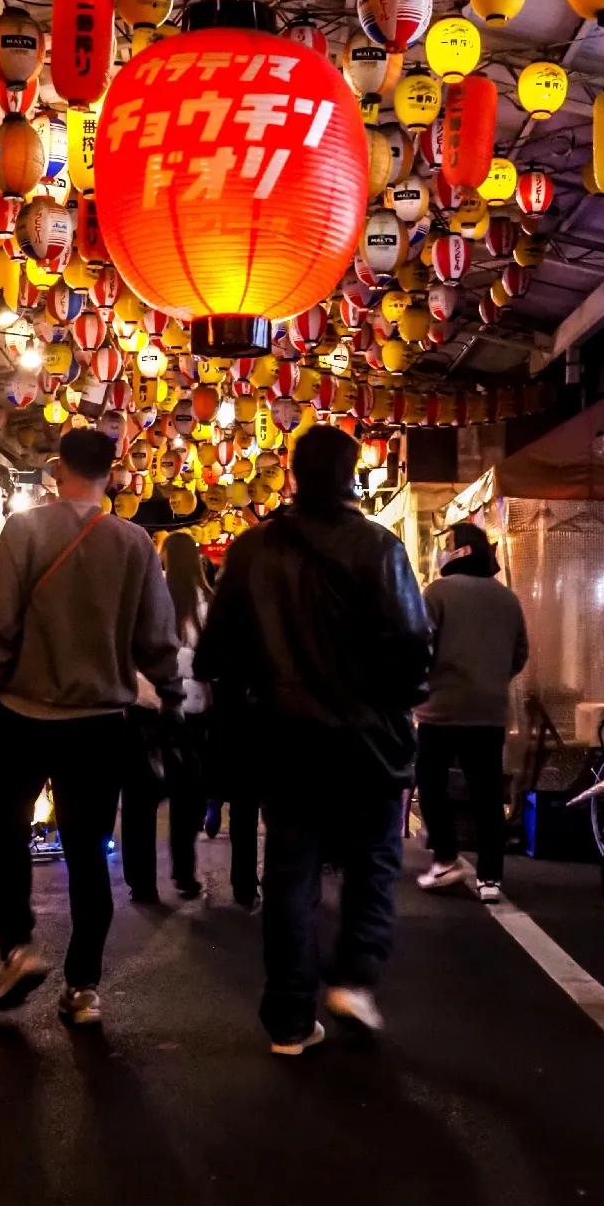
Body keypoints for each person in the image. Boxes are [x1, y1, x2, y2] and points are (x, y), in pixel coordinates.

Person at [195, 427, 430, 1057]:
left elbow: (214, 652)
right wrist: (394, 699)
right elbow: (412, 647)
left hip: (284, 740)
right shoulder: (380, 548)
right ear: (352, 475)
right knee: (374, 860)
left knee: (291, 873)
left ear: (293, 475)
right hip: (366, 741)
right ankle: (354, 976)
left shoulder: (250, 552)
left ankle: (290, 1020)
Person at [0, 428, 183, 1026]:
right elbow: (157, 637)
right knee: (89, 851)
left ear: (58, 468)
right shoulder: (135, 542)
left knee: (3, 827)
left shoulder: (26, 529)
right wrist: (167, 694)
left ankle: (18, 946)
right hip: (99, 723)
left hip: (21, 713)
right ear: (113, 476)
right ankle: (83, 986)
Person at [414, 523, 528, 904]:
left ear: (458, 552)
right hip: (489, 711)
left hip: (441, 709)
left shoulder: (437, 593)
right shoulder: (507, 600)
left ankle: (446, 858)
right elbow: (519, 654)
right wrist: (493, 679)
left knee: (431, 786)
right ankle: (490, 878)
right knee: (486, 795)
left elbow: (420, 645)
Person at [119, 532, 210, 905]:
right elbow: (213, 658)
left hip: (146, 708)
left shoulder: (144, 599)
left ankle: (142, 883)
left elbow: (127, 651)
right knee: (188, 798)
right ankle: (184, 873)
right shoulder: (207, 603)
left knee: (139, 802)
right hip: (192, 712)